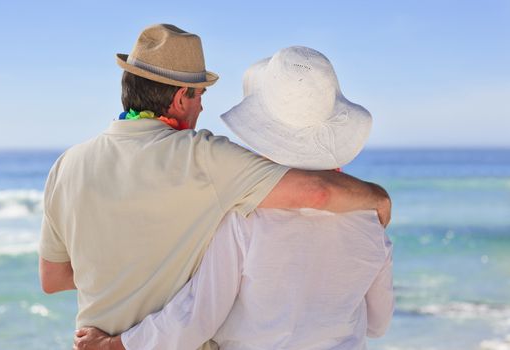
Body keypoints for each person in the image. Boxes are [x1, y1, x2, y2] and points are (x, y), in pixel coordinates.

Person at [39, 24, 390, 346]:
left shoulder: (66, 164)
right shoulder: (205, 160)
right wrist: (377, 198)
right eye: (199, 94)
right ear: (180, 99)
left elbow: (52, 279)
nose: (203, 105)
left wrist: (117, 281)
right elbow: (318, 194)